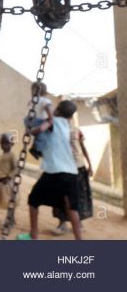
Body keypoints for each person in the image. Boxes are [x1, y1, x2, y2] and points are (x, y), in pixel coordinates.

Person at [17, 100, 83, 240]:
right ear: (71, 117)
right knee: (72, 207)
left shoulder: (54, 122)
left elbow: (40, 129)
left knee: (33, 200)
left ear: (57, 111)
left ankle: (33, 234)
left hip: (55, 171)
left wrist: (31, 131)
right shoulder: (67, 125)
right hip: (71, 172)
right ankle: (79, 239)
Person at [52, 101, 93, 235]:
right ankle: (62, 223)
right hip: (63, 168)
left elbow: (83, 148)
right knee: (60, 196)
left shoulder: (76, 131)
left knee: (78, 196)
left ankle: (78, 222)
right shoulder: (56, 129)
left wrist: (89, 165)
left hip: (78, 168)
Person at [0, 133, 16, 228]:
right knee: (7, 203)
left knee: (10, 202)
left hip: (8, 183)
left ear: (12, 144)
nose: (4, 146)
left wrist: (9, 177)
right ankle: (11, 220)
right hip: (1, 182)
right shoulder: (2, 156)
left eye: (7, 143)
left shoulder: (12, 155)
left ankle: (10, 221)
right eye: (2, 143)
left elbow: (16, 168)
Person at [25, 82, 53, 159]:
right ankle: (36, 149)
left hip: (28, 121)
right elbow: (49, 111)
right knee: (45, 135)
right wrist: (51, 120)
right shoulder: (45, 101)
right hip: (39, 121)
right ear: (45, 92)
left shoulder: (31, 100)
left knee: (40, 136)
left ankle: (36, 149)